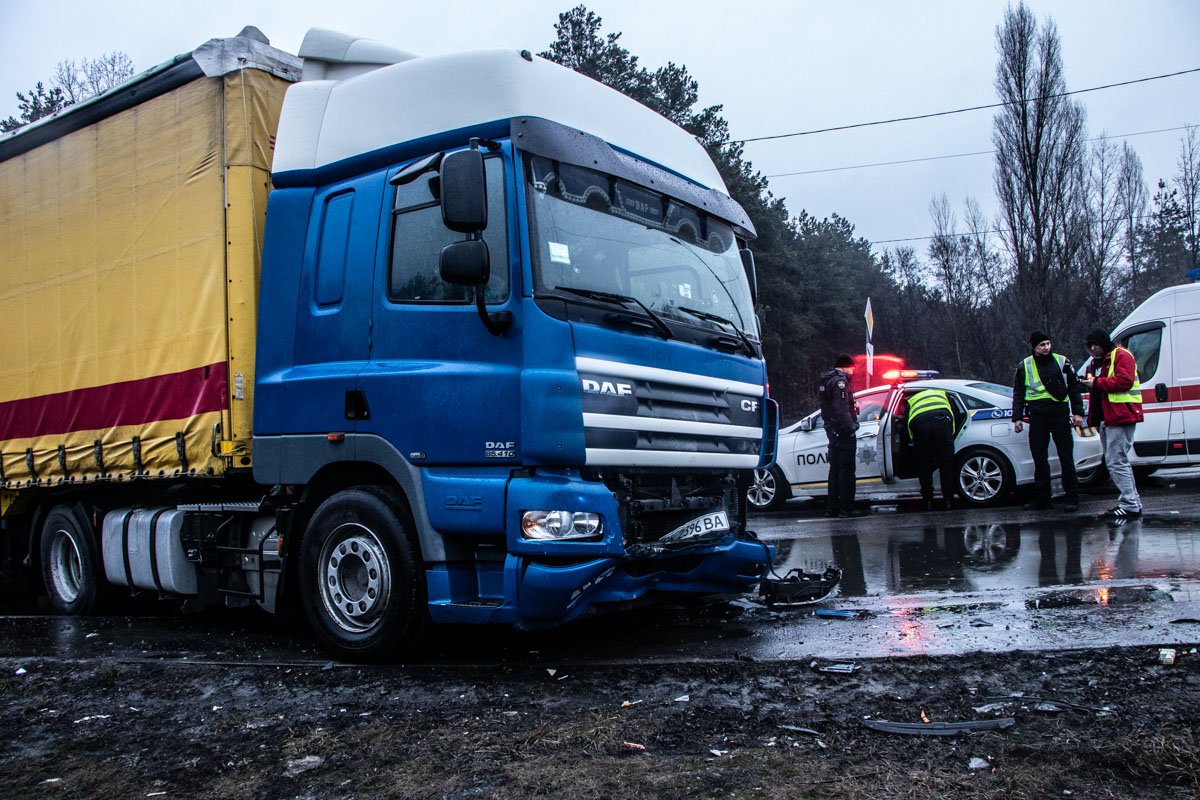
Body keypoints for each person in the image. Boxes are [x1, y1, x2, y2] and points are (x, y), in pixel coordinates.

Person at [1012, 331, 1086, 512]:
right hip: (1037, 417)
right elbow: (1018, 393)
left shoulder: (1062, 361)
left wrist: (1078, 413)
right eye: (1041, 345)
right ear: (1034, 348)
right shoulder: (1025, 366)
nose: (1046, 348)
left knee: (1066, 457)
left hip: (1059, 414)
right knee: (1039, 458)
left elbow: (1074, 388)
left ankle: (1072, 498)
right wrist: (1018, 418)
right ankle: (1043, 499)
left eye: (1047, 344)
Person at [1080, 328, 1144, 519]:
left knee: (1116, 461)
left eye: (1096, 345)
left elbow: (1124, 381)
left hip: (1121, 415)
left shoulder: (1121, 355)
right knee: (1117, 461)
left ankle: (1130, 504)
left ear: (1104, 342)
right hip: (1107, 418)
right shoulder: (1096, 362)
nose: (1094, 349)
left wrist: (1098, 383)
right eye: (1090, 346)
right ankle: (1132, 502)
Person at [819, 354, 867, 518]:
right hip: (842, 431)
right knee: (847, 471)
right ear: (846, 367)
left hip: (832, 430)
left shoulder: (826, 381)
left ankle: (832, 508)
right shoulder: (840, 382)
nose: (852, 372)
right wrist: (851, 427)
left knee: (834, 470)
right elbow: (841, 409)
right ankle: (847, 509)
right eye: (852, 369)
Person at [906, 387, 957, 511]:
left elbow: (909, 425)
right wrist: (949, 436)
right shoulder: (943, 394)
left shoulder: (912, 400)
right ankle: (948, 501)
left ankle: (928, 501)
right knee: (946, 465)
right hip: (941, 422)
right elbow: (954, 417)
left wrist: (914, 442)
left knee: (924, 467)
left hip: (920, 424)